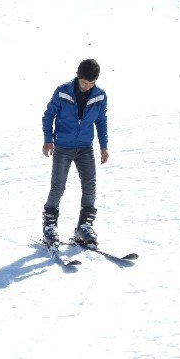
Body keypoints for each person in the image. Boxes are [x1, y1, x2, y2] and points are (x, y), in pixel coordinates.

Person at [40, 58, 109, 248]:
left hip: (86, 147)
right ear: (78, 76)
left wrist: (103, 145)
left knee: (90, 186)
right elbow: (48, 116)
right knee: (58, 187)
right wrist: (48, 140)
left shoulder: (100, 95)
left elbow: (101, 121)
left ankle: (84, 227)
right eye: (85, 82)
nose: (87, 87)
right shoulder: (63, 91)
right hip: (63, 147)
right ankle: (49, 227)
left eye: (91, 83)